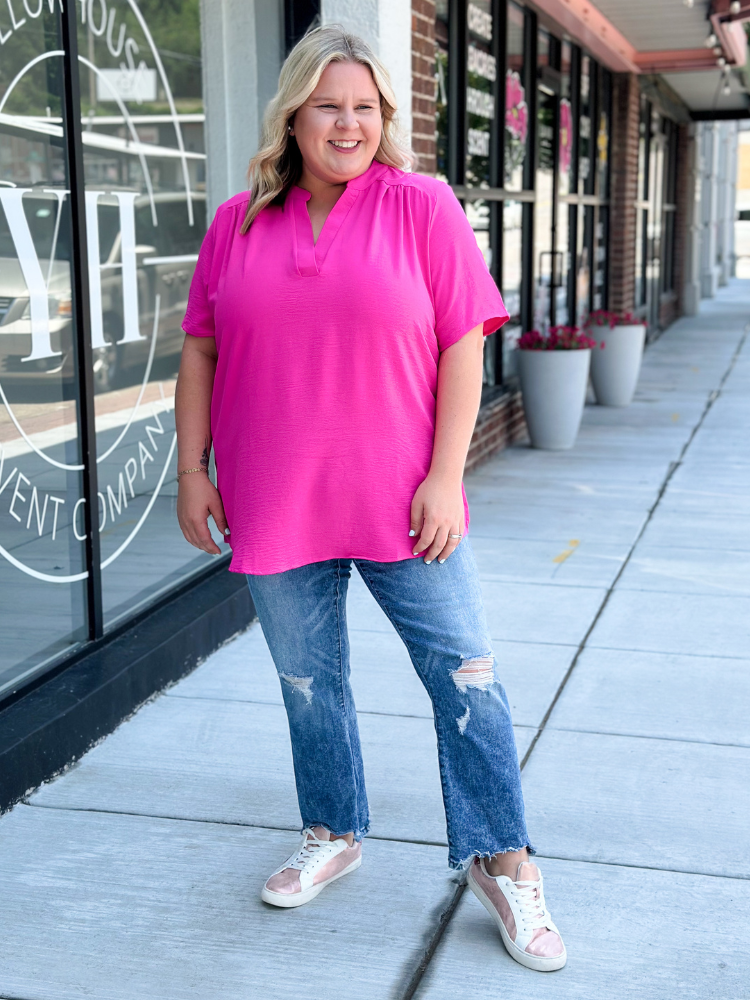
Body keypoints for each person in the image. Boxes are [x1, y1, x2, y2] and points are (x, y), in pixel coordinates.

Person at [175, 25, 566, 973]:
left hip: (403, 496)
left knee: (467, 676)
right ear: (294, 117)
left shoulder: (421, 205)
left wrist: (445, 475)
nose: (347, 123)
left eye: (364, 106)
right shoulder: (238, 221)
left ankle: (503, 860)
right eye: (327, 106)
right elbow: (201, 347)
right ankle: (333, 829)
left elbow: (463, 340)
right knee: (311, 685)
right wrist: (193, 469)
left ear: (383, 116)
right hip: (273, 495)